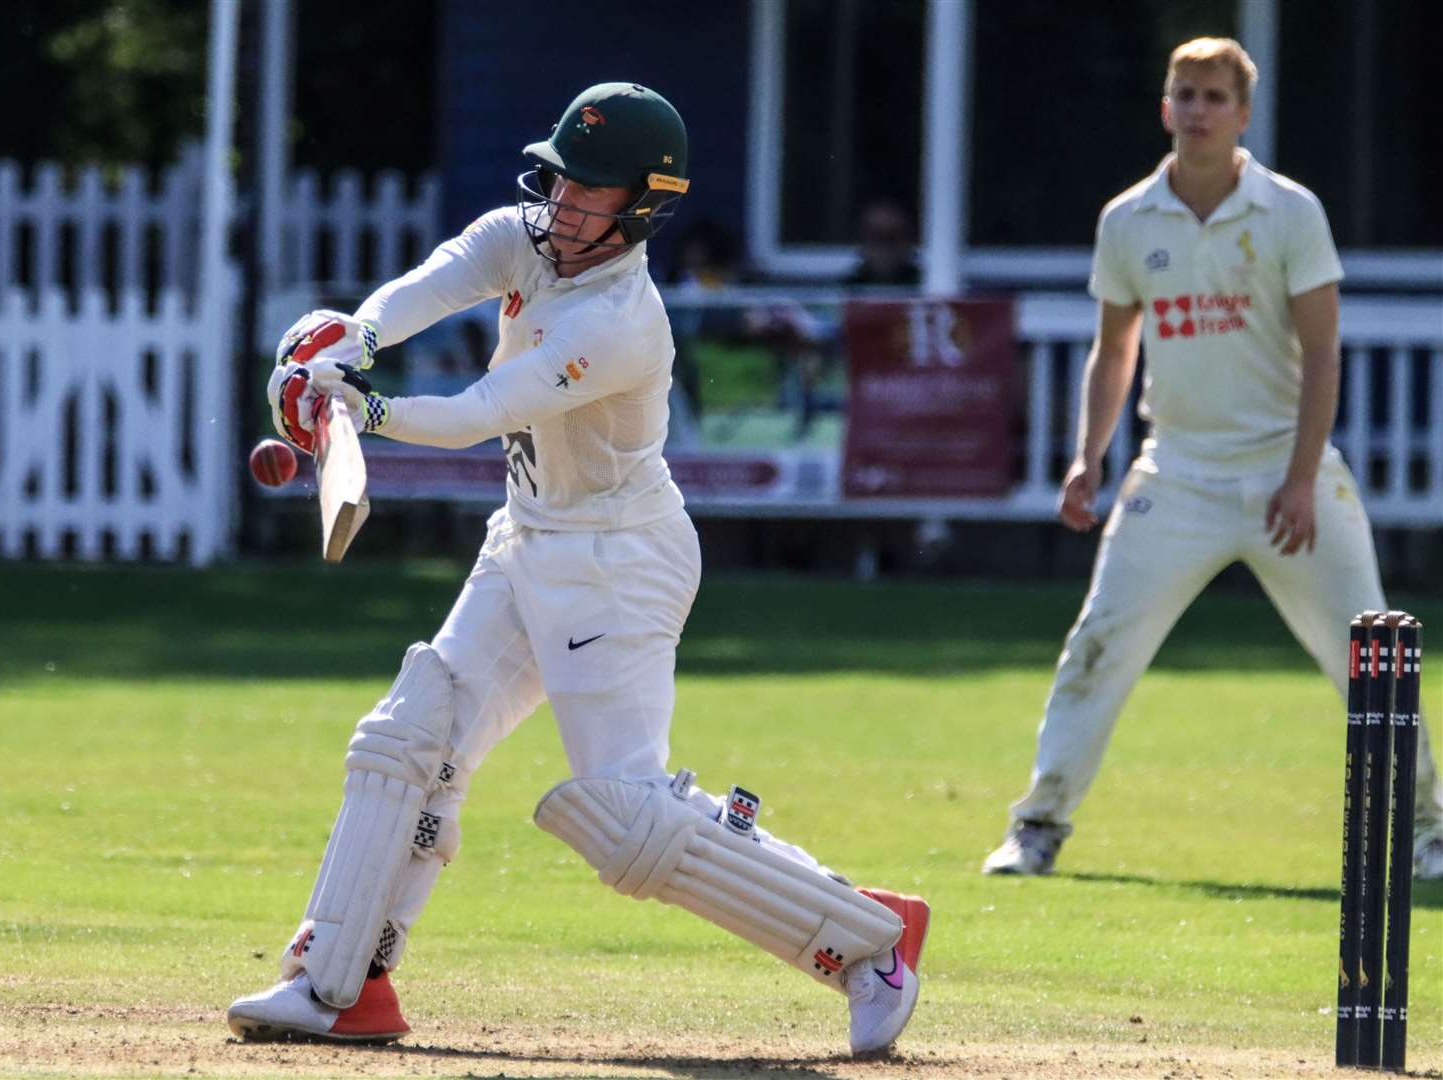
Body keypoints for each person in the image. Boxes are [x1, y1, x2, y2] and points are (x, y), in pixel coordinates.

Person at [226, 82, 931, 1056]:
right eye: (558, 178)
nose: (560, 202)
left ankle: (868, 942)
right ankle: (340, 984)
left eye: (587, 189)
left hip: (616, 562)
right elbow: (433, 282)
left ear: (643, 202)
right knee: (408, 738)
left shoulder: (620, 320)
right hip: (526, 538)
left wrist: (364, 412)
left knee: (624, 816)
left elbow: (483, 409)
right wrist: (349, 344)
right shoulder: (523, 236)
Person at [982, 38, 1443, 880]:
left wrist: (1301, 480)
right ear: (1165, 108)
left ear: (1242, 114)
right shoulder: (1128, 218)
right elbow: (1113, 351)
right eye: (1184, 95)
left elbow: (1325, 356)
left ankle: (1424, 829)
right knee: (1100, 643)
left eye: (1213, 97)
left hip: (1283, 470)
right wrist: (1088, 458)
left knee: (1369, 653)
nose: (1196, 111)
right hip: (1178, 472)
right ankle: (1038, 825)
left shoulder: (1290, 211)